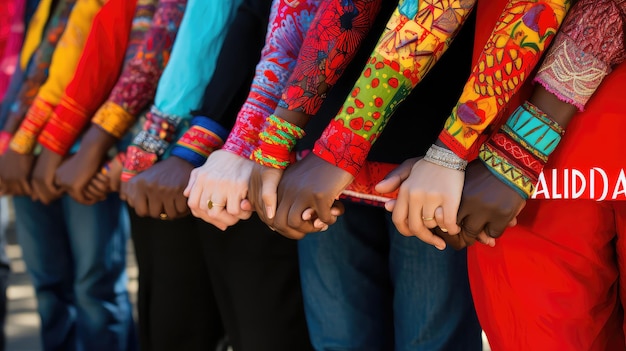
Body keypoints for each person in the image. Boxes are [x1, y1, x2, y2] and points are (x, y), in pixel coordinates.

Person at [0, 1, 140, 349]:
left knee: (95, 288)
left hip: (87, 156)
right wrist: (14, 142)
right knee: (48, 287)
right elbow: (30, 67)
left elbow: (109, 65)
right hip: (28, 157)